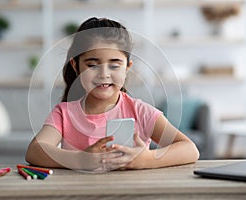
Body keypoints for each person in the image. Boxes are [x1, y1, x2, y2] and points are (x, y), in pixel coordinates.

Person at [25, 17, 199, 172]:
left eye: (114, 65)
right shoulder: (64, 113)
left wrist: (145, 159)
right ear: (76, 66)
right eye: (92, 65)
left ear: (127, 68)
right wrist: (81, 159)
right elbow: (35, 151)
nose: (104, 74)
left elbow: (189, 149)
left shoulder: (140, 111)